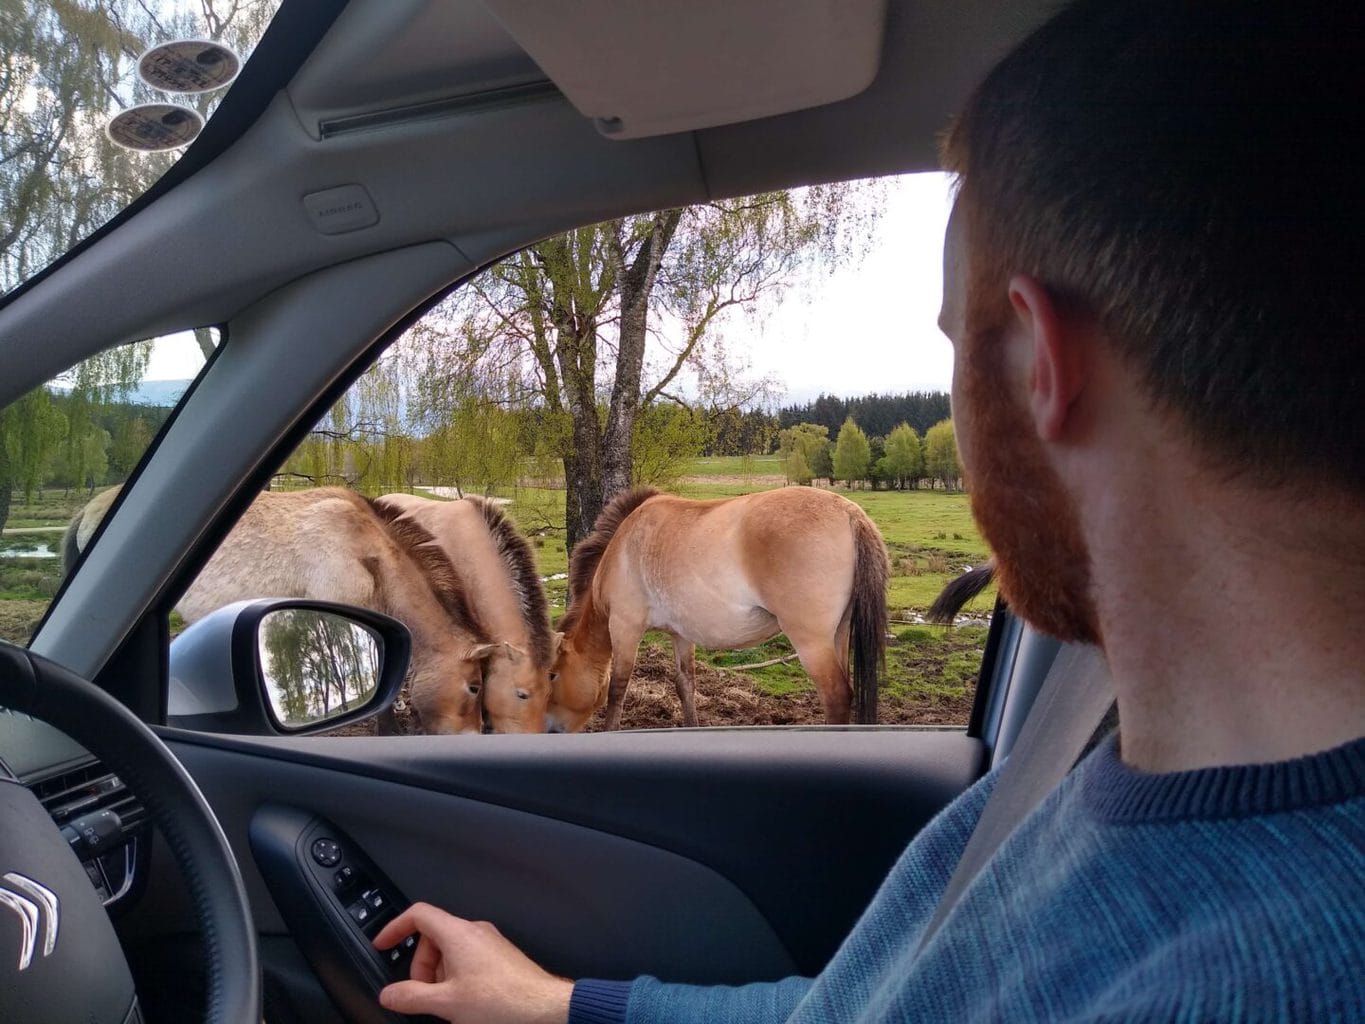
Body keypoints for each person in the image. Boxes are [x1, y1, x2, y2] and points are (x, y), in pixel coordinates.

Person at [371, 0, 1365, 1019]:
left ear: (1041, 367)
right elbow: (861, 1005)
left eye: (952, 340)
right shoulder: (1107, 762)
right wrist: (563, 1002)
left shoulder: (1259, 978)